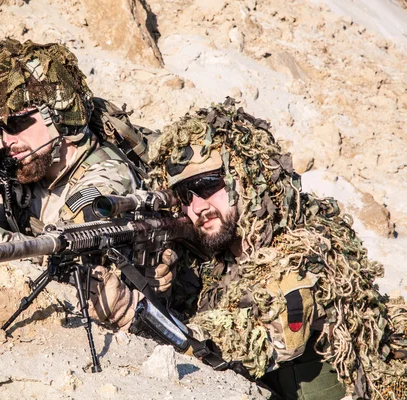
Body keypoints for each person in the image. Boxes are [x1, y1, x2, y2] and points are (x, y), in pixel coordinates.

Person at [89, 98, 407, 399]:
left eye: (209, 186)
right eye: (185, 195)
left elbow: (256, 347)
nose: (198, 206)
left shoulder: (301, 249)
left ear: (247, 179)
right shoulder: (223, 248)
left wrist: (142, 315)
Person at [0, 37, 172, 301]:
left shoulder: (105, 183)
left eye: (17, 124)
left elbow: (68, 269)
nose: (8, 141)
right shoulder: (31, 162)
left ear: (58, 117)